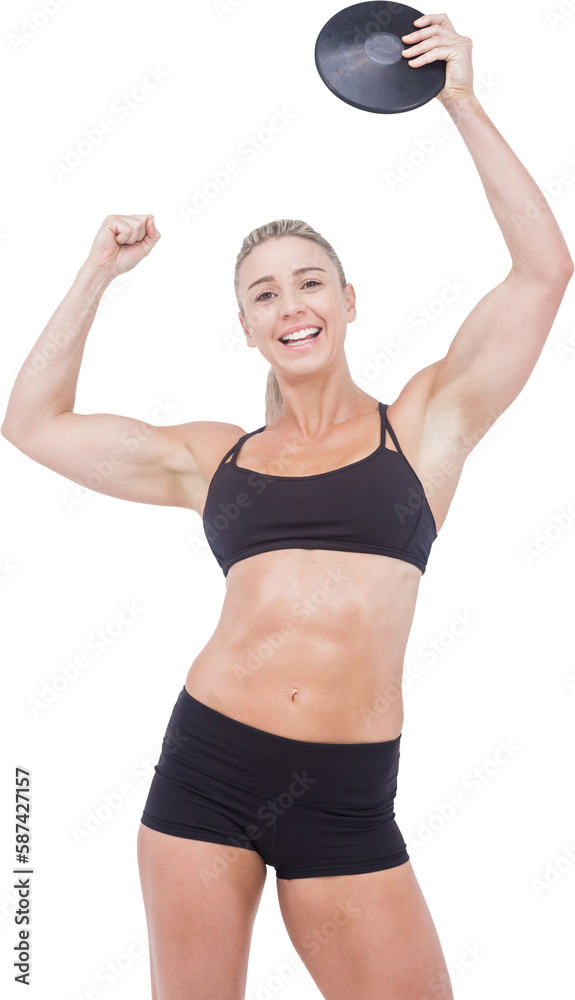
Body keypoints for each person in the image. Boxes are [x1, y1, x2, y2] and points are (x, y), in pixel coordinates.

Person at [2, 12, 572, 1000]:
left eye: (310, 282)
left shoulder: (426, 425)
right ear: (247, 327)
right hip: (206, 771)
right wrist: (98, 269)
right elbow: (34, 423)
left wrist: (461, 103)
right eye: (264, 294)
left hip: (347, 802)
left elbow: (541, 272)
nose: (291, 304)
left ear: (348, 300)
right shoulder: (212, 458)